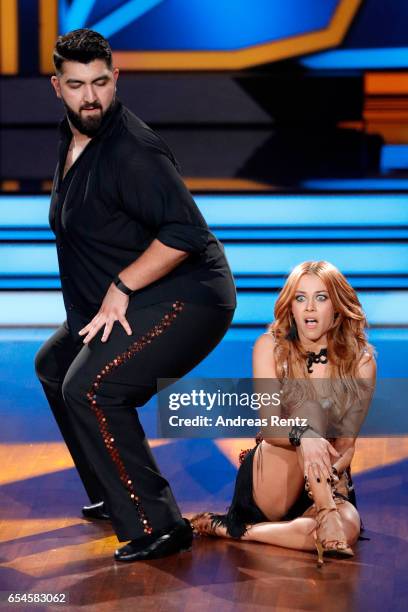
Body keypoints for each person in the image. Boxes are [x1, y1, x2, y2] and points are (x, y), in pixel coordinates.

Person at [34, 29, 236, 563]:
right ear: (58, 87)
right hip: (130, 297)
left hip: (187, 296)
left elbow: (185, 234)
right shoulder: (74, 136)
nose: (91, 97)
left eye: (101, 82)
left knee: (92, 387)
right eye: (77, 85)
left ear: (115, 78)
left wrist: (121, 286)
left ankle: (159, 526)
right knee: (55, 365)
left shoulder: (132, 150)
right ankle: (111, 490)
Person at [191, 261, 376, 567]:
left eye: (321, 297)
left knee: (348, 530)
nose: (309, 308)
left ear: (339, 307)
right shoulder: (270, 347)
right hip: (275, 474)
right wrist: (306, 436)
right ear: (290, 306)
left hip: (326, 478)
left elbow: (346, 445)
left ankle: (241, 532)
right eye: (300, 298)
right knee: (309, 409)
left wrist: (324, 474)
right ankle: (324, 517)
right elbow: (271, 427)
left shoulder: (361, 362)